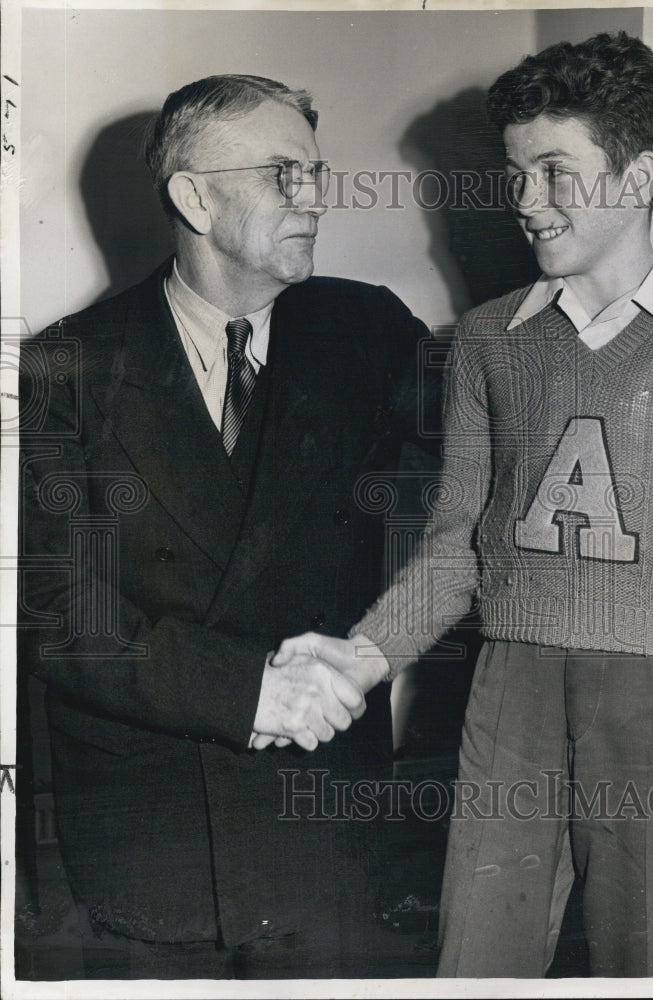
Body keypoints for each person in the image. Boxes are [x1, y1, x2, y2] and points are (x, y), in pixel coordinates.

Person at [273, 34, 653, 979]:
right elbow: (458, 541)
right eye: (515, 173)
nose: (526, 201)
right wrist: (366, 651)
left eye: (556, 171)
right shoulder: (486, 343)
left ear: (639, 175)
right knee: (476, 959)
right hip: (512, 692)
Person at [17, 74, 443, 979]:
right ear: (193, 195)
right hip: (150, 847)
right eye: (285, 173)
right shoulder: (66, 366)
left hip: (327, 833)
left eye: (318, 173)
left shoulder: (366, 330)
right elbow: (57, 608)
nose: (316, 197)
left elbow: (528, 412)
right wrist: (243, 688)